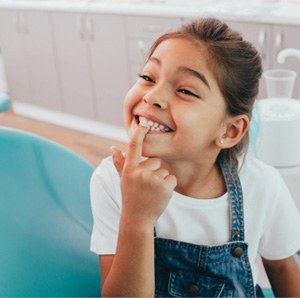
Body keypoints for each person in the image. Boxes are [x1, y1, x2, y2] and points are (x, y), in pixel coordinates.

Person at [90, 18, 300, 297]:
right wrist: (137, 218)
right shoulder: (111, 180)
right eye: (148, 77)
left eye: (185, 91)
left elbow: (284, 270)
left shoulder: (263, 186)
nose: (152, 96)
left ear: (230, 130)